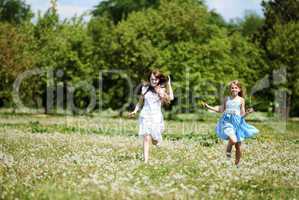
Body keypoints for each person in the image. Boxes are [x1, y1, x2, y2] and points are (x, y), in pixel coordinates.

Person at [205, 80, 258, 167]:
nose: (234, 89)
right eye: (232, 88)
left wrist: (248, 113)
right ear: (230, 89)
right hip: (227, 121)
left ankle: (237, 165)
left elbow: (242, 114)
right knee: (233, 140)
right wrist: (209, 107)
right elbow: (221, 109)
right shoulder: (227, 99)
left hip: (238, 122)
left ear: (239, 89)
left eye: (236, 88)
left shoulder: (241, 100)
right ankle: (228, 159)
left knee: (238, 146)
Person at [129, 69, 174, 163]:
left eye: (156, 79)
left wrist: (169, 85)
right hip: (145, 116)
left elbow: (171, 98)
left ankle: (157, 143)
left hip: (156, 117)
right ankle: (145, 161)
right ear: (149, 79)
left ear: (159, 80)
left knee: (154, 140)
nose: (154, 81)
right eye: (152, 79)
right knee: (146, 137)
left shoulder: (161, 90)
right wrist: (135, 111)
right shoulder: (144, 89)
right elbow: (140, 102)